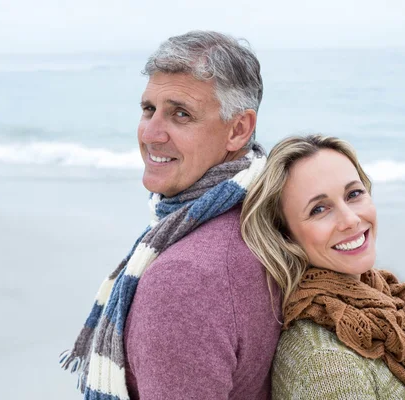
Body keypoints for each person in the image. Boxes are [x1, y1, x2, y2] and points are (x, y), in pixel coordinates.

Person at [60, 31, 281, 400]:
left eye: (181, 114)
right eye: (149, 109)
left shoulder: (185, 278)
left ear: (238, 129)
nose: (150, 133)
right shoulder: (264, 216)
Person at [241, 135, 405, 399]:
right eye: (319, 209)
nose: (350, 220)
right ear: (286, 236)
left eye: (354, 194)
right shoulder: (327, 364)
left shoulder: (384, 299)